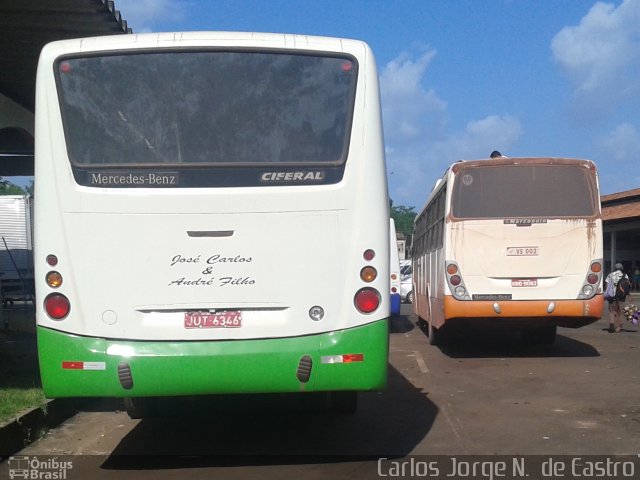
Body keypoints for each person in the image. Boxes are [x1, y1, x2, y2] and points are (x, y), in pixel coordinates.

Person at [604, 262, 630, 333]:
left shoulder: (610, 275)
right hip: (621, 296)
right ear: (621, 268)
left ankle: (611, 325)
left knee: (612, 311)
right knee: (620, 312)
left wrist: (608, 294)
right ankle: (618, 328)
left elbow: (607, 285)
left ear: (615, 268)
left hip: (612, 296)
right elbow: (627, 285)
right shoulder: (625, 275)